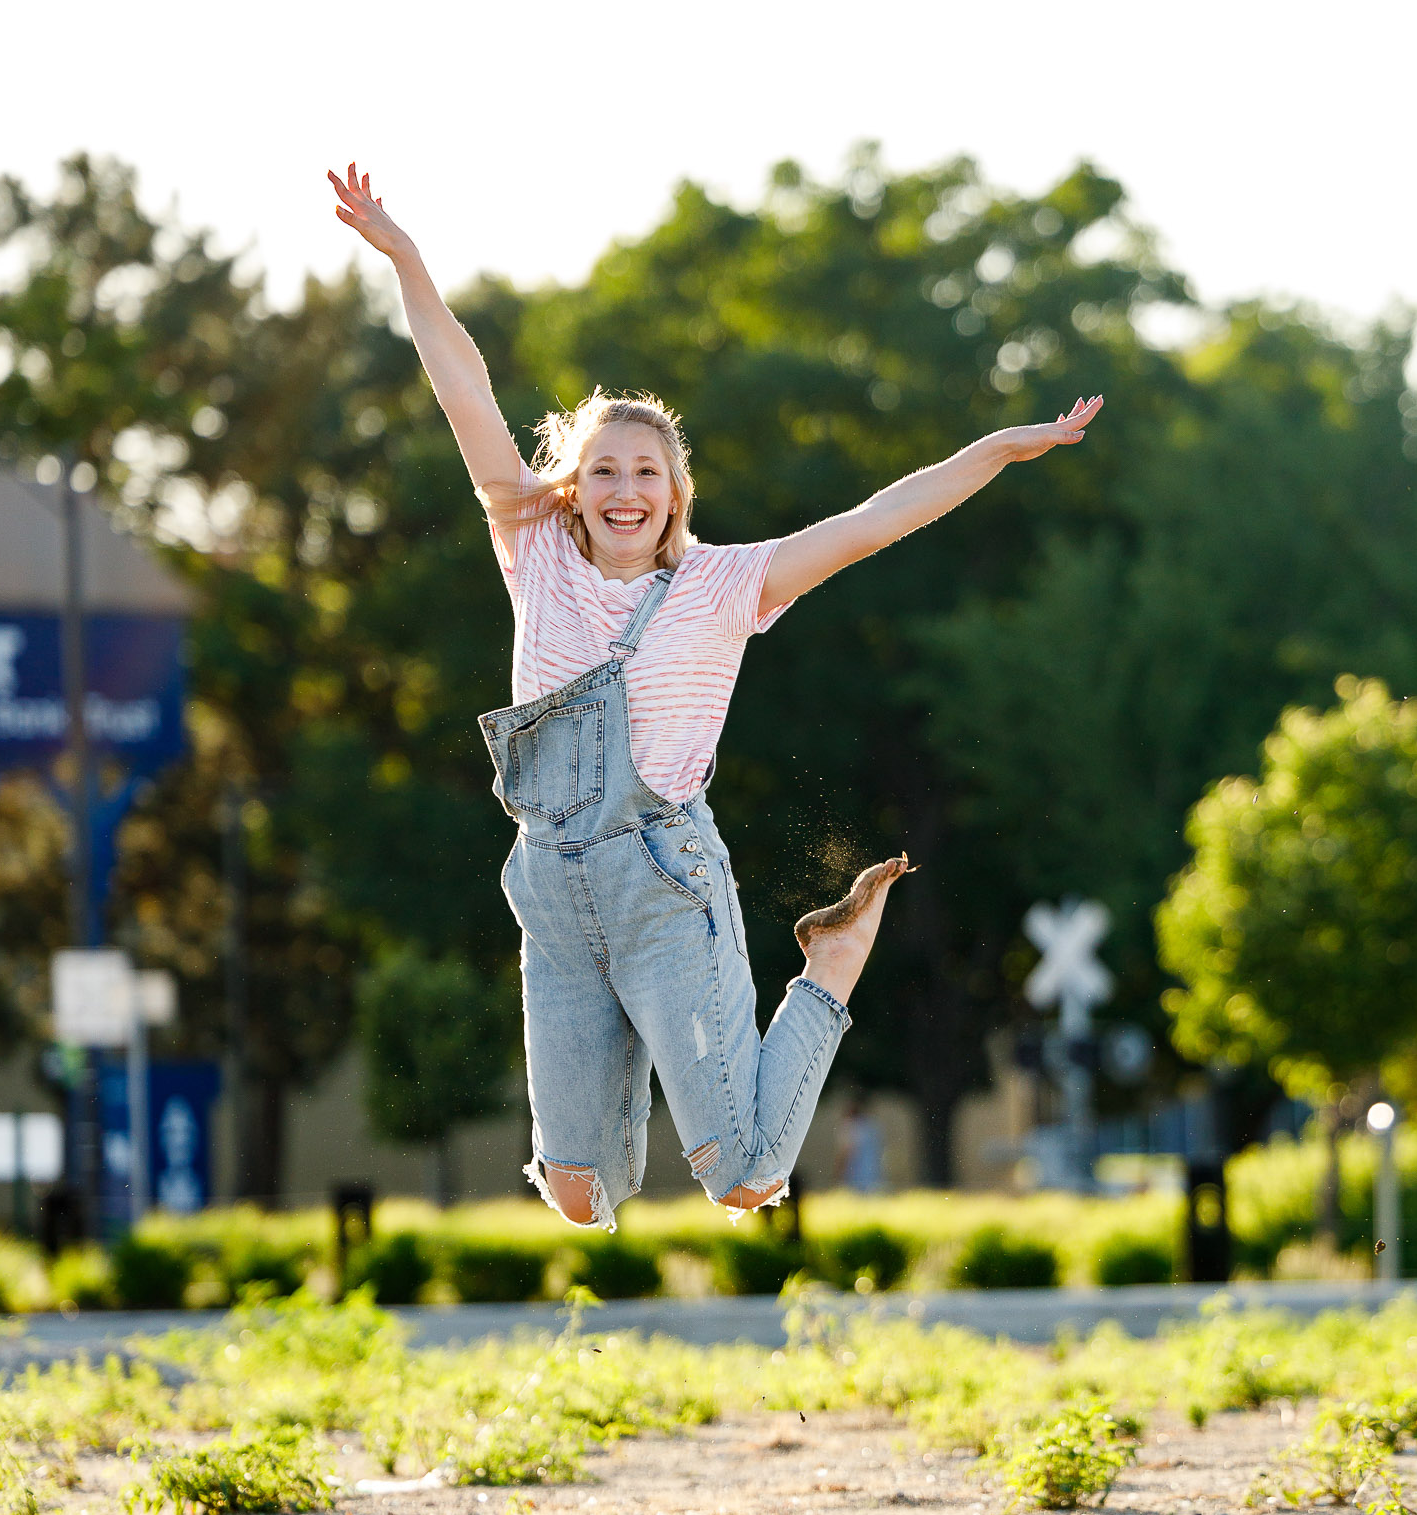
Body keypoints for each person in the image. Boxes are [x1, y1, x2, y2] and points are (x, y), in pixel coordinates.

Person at [329, 164, 1102, 1230]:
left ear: (674, 492)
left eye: (646, 472)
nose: (624, 490)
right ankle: (635, 1097)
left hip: (661, 882)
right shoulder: (532, 550)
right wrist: (407, 258)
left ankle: (826, 972)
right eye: (602, 470)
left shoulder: (726, 584)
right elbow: (461, 386)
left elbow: (876, 518)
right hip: (550, 889)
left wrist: (997, 452)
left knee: (743, 1179)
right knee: (576, 1194)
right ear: (573, 488)